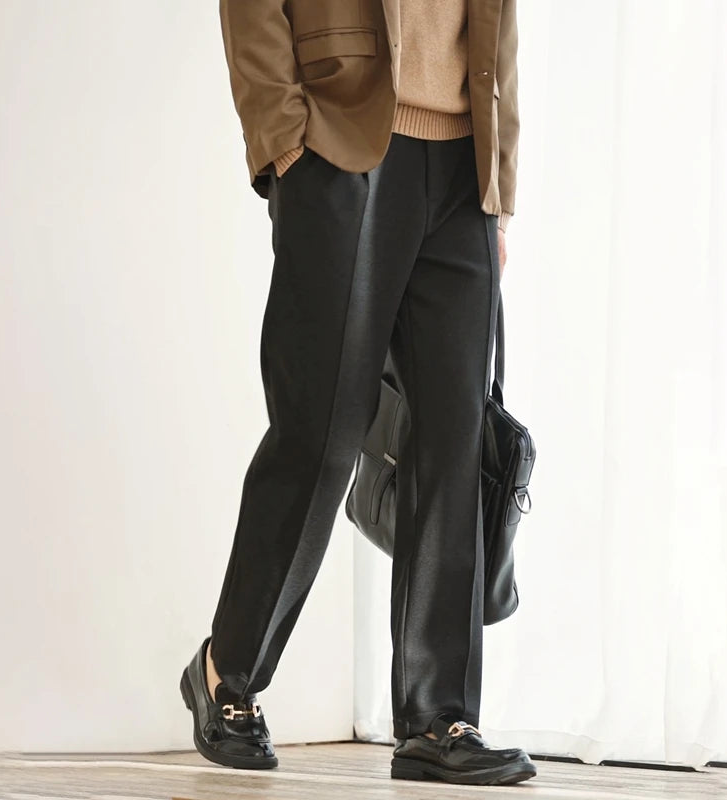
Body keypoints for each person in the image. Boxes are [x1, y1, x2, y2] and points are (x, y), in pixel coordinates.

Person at [180, 0, 536, 786]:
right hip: (341, 149)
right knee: (321, 430)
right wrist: (283, 143)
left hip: (464, 168)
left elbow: (499, 25)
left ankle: (438, 717)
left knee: (453, 443)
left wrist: (498, 189)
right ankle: (227, 673)